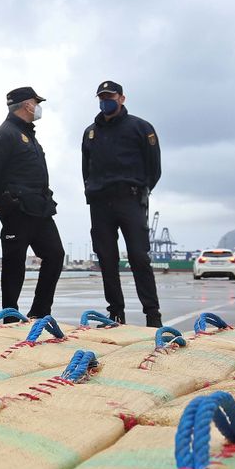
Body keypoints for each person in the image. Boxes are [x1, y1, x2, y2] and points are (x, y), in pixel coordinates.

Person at [81, 80, 162, 327]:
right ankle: (116, 313)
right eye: (102, 97)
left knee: (139, 257)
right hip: (100, 203)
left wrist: (141, 192)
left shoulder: (141, 127)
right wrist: (91, 190)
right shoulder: (90, 132)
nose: (106, 100)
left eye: (111, 96)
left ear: (122, 98)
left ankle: (152, 315)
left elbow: (154, 168)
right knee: (107, 259)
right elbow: (86, 168)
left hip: (130, 199)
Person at [0, 86, 62, 319]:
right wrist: (3, 203)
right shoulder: (4, 134)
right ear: (27, 105)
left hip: (40, 210)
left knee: (55, 255)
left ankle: (39, 312)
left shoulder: (29, 135)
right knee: (14, 264)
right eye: (36, 103)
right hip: (18, 211)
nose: (38, 108)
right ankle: (10, 315)